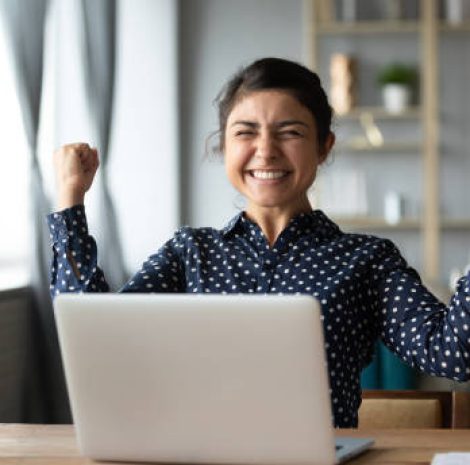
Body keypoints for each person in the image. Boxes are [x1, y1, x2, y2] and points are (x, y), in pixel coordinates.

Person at [48, 57, 470, 428]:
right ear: (223, 147)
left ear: (325, 146)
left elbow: (452, 355)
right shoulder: (189, 252)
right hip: (197, 457)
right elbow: (99, 342)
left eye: (289, 133)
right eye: (246, 132)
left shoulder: (367, 259)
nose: (265, 151)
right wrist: (70, 198)